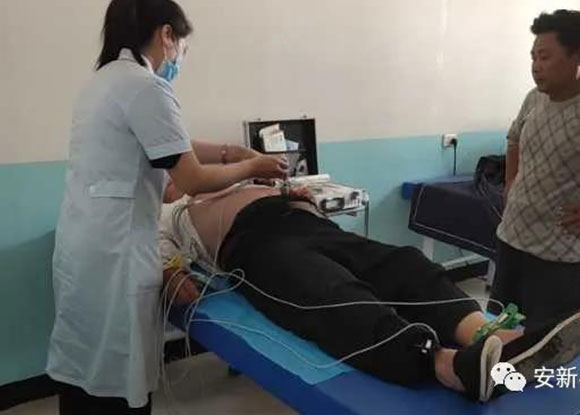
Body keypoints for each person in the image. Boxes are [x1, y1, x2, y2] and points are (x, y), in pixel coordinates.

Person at [46, 0, 288, 413]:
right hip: (116, 256)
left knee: (85, 374)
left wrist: (231, 153)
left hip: (84, 247)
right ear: (166, 35)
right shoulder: (146, 87)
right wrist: (252, 167)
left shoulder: (102, 83)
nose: (178, 57)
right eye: (180, 45)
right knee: (116, 385)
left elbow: (170, 146)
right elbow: (191, 180)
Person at [160, 182, 580, 401]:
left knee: (403, 262)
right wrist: (171, 272)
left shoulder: (228, 178)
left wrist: (291, 194)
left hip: (309, 223)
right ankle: (447, 365)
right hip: (252, 245)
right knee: (328, 290)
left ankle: (490, 337)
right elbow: (160, 257)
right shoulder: (165, 213)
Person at [492, 10, 580, 327]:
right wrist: (510, 182)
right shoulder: (534, 99)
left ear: (576, 57)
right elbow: (514, 138)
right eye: (533, 57)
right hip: (512, 238)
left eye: (545, 57)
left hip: (558, 257)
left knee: (543, 341)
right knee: (496, 329)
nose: (536, 66)